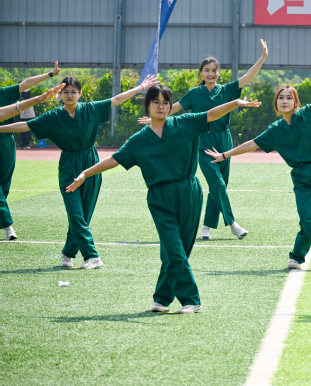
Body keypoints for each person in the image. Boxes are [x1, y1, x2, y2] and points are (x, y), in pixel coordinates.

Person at [66, 85, 260, 313]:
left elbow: (211, 114)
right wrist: (85, 173)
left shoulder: (185, 123)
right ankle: (191, 300)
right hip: (159, 198)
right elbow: (115, 159)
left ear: (170, 106)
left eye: (165, 102)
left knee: (177, 251)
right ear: (147, 105)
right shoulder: (140, 139)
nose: (161, 106)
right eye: (156, 102)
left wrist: (235, 103)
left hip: (189, 192)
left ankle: (162, 299)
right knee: (173, 248)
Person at [205, 60, 311, 271]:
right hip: (301, 176)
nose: (284, 101)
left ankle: (296, 256)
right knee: (308, 217)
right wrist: (224, 154)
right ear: (276, 103)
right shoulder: (276, 129)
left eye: (289, 98)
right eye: (281, 98)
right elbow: (252, 144)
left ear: (296, 102)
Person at [0, 74, 159, 268]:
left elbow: (117, 99)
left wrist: (141, 87)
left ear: (80, 93)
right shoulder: (53, 116)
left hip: (91, 164)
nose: (69, 95)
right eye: (65, 92)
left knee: (83, 215)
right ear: (60, 94)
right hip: (69, 165)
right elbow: (25, 125)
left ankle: (68, 254)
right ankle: (92, 256)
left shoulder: (91, 109)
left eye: (73, 92)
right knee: (75, 214)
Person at [139, 40, 268, 241]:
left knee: (220, 185)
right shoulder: (195, 93)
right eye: (206, 70)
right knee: (217, 183)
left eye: (213, 70)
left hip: (224, 141)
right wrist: (156, 118)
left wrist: (263, 57)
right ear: (201, 73)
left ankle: (206, 227)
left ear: (218, 73)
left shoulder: (226, 90)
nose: (210, 74)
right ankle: (233, 224)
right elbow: (176, 107)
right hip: (202, 142)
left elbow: (248, 76)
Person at [0, 62, 62, 241]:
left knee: (4, 187)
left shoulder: (3, 93)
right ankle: (8, 226)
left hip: (6, 143)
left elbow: (26, 83)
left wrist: (50, 74)